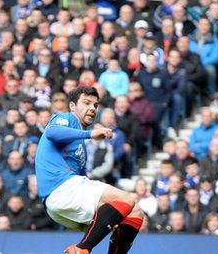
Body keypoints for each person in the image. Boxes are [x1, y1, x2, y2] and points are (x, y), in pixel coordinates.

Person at [35, 87, 145, 254]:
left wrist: (112, 215)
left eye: (95, 105)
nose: (92, 108)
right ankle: (82, 249)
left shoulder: (81, 147)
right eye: (86, 103)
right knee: (126, 199)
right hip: (60, 188)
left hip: (60, 205)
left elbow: (83, 179)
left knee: (135, 213)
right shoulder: (65, 118)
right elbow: (52, 133)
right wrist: (91, 134)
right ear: (72, 106)